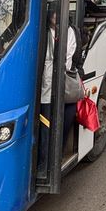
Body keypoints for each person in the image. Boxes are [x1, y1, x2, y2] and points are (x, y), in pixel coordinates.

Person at [38, 9, 78, 171]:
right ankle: (43, 159)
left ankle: (57, 152)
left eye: (58, 13)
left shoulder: (69, 31)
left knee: (67, 114)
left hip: (63, 82)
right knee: (45, 120)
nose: (56, 16)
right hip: (45, 85)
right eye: (53, 13)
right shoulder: (43, 31)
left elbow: (68, 58)